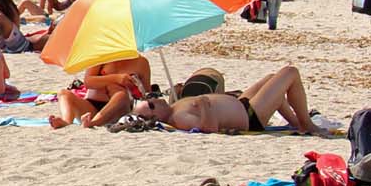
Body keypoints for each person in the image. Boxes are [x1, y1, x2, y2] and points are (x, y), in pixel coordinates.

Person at [135, 65, 332, 135]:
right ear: (155, 116)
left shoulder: (173, 107)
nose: (154, 99)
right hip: (249, 117)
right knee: (290, 72)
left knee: (273, 78)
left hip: (242, 104)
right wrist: (204, 104)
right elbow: (209, 128)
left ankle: (297, 123)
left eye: (150, 98)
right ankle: (306, 124)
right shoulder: (179, 118)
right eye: (151, 104)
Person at [48, 56, 152, 129]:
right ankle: (66, 121)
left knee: (120, 94)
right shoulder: (101, 57)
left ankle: (92, 123)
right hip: (92, 107)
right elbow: (88, 82)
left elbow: (147, 94)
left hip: (119, 108)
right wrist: (116, 78)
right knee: (64, 93)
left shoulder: (141, 62)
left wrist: (134, 85)